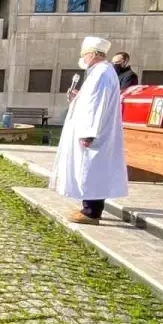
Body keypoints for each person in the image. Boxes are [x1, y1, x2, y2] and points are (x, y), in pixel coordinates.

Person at [50, 36, 128, 225]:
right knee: (92, 170)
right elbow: (90, 100)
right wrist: (78, 96)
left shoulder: (101, 73)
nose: (82, 58)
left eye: (84, 55)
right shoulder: (100, 72)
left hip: (94, 134)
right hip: (95, 132)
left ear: (92, 54)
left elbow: (96, 106)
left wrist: (88, 133)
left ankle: (91, 212)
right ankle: (89, 207)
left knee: (91, 169)